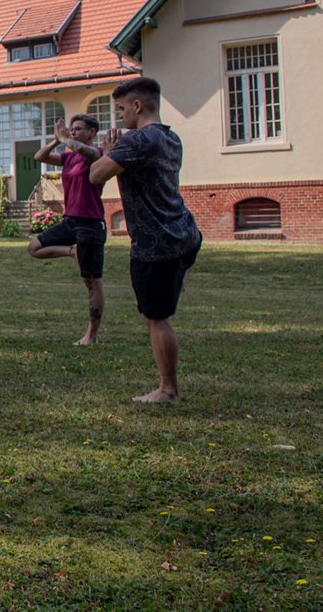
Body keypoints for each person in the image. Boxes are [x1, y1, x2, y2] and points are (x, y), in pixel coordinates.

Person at [89, 76, 202, 404]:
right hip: (185, 233)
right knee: (160, 306)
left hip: (156, 244)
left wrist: (109, 151)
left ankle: (168, 389)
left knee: (156, 317)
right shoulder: (171, 138)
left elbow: (96, 175)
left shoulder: (136, 141)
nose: (120, 116)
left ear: (137, 106)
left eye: (121, 108)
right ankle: (176, 281)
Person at [28, 114, 110, 345]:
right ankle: (71, 252)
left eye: (78, 129)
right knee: (34, 248)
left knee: (92, 281)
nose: (73, 132)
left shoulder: (98, 154)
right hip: (70, 221)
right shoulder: (69, 157)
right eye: (71, 129)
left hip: (91, 223)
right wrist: (56, 140)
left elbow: (88, 152)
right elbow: (39, 156)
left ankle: (91, 335)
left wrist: (65, 139)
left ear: (92, 132)